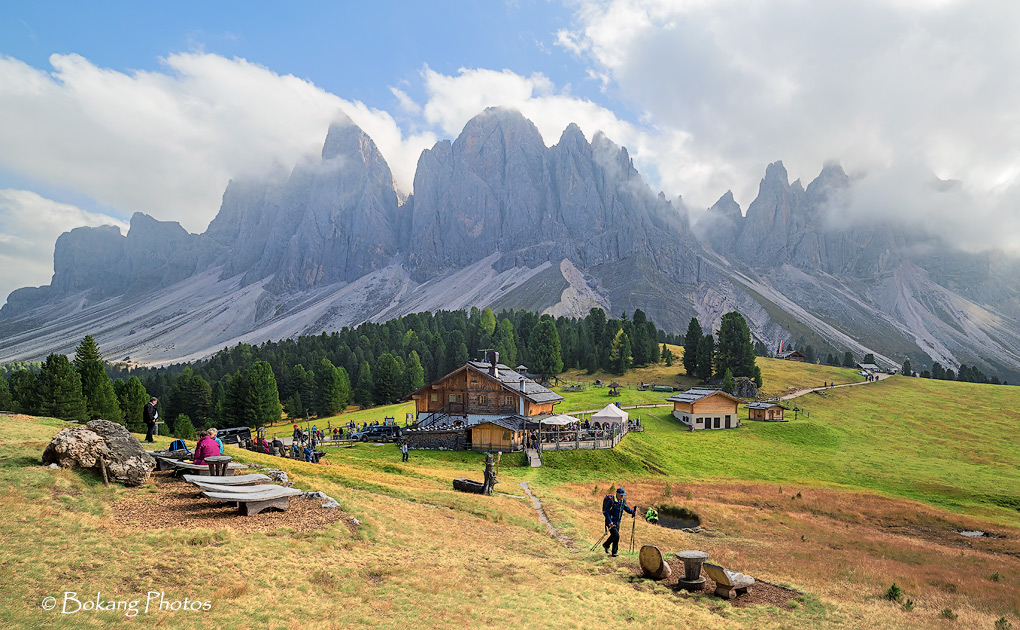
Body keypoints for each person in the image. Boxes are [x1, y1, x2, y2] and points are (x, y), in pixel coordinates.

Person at [602, 487, 638, 557]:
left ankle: (606, 545)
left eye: (623, 495)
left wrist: (632, 512)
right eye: (621, 495)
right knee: (617, 536)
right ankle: (614, 552)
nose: (622, 496)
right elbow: (606, 512)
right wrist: (610, 522)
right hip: (610, 522)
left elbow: (626, 508)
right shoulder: (611, 501)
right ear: (617, 494)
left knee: (614, 536)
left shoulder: (622, 501)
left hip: (617, 522)